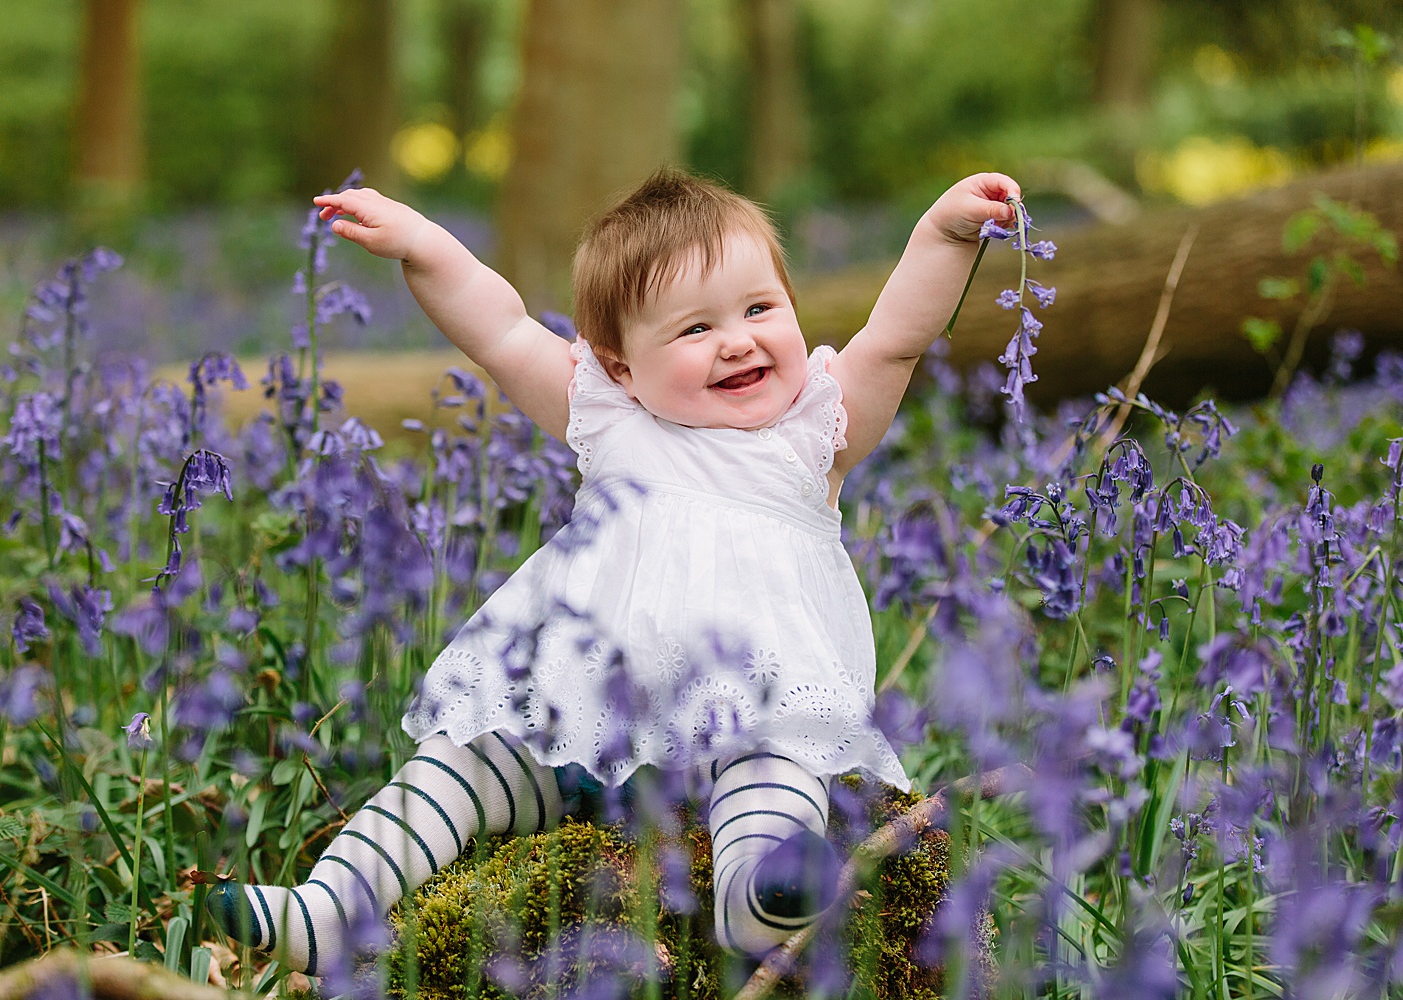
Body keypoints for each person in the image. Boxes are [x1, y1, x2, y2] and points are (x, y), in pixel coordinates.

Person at [207, 167, 1022, 975]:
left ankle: (754, 897)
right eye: (694, 329)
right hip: (574, 733)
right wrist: (421, 244)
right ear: (621, 366)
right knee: (458, 764)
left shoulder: (810, 438)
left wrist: (944, 236)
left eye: (759, 308)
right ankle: (329, 905)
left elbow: (895, 338)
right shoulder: (609, 419)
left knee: (778, 771)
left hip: (742, 727)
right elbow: (500, 328)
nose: (737, 339)